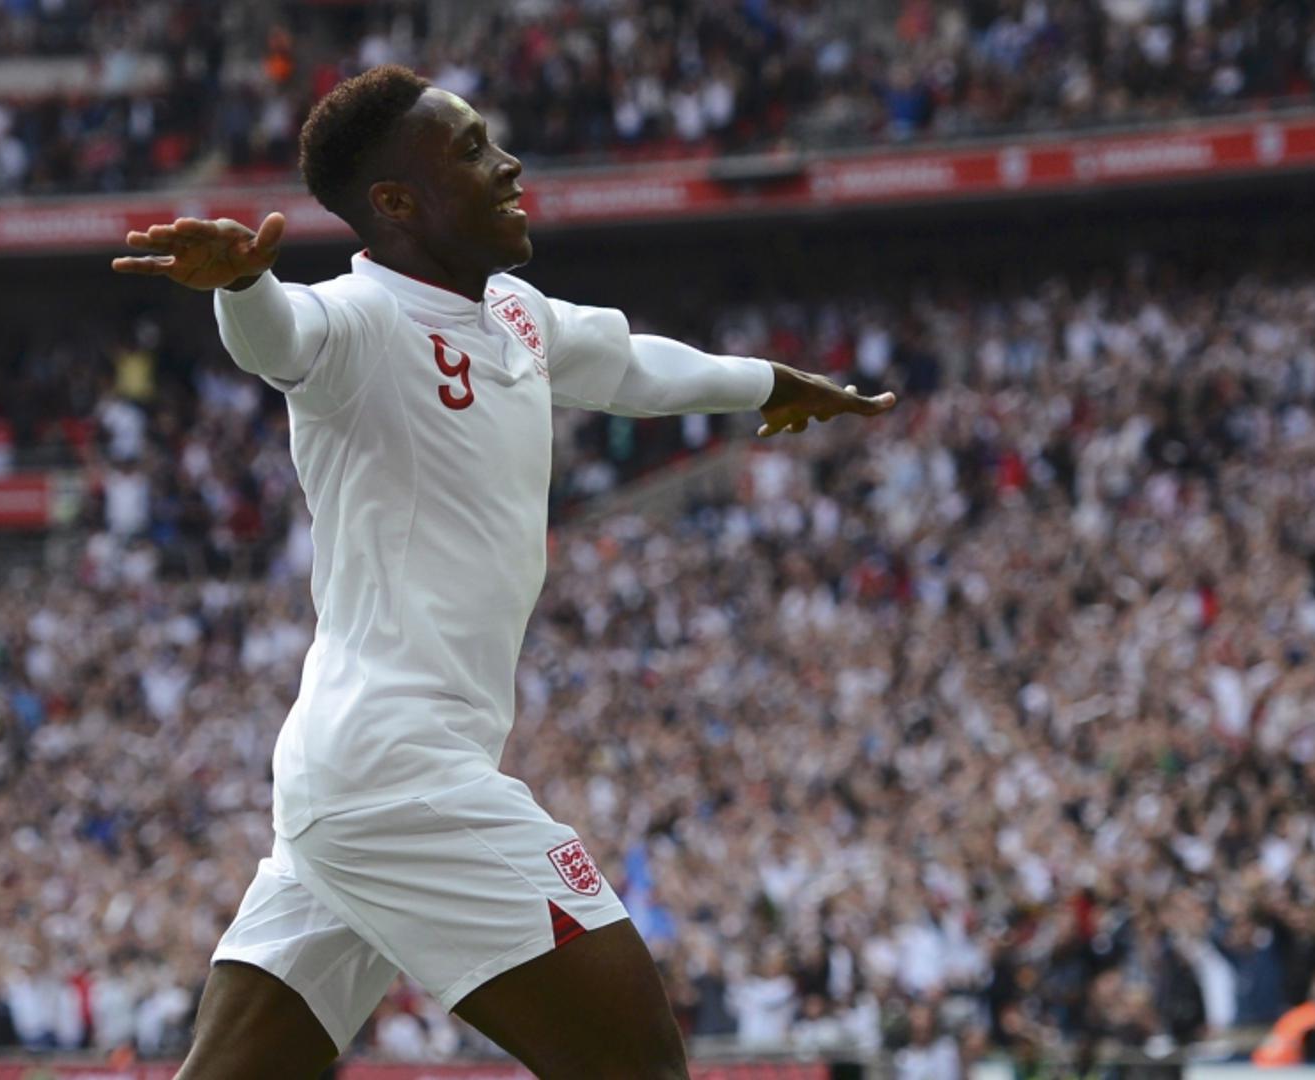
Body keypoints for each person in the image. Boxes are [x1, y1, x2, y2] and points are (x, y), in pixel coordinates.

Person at [112, 64, 895, 1079]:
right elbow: (282, 338)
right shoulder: (359, 322)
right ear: (395, 203)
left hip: (357, 779)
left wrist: (773, 383)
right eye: (472, 150)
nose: (508, 163)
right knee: (639, 1068)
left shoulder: (513, 313)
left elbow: (626, 365)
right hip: (398, 773)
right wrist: (241, 286)